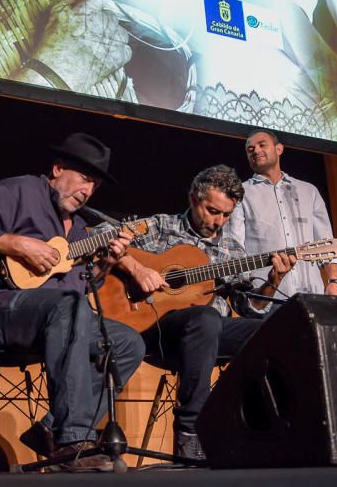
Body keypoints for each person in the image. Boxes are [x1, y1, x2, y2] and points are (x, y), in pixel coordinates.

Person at [0, 132, 146, 471]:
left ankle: (51, 430)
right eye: (84, 179)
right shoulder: (19, 190)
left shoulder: (83, 228)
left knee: (128, 342)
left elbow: (79, 288)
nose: (87, 191)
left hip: (56, 320)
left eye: (94, 186)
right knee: (69, 306)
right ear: (57, 169)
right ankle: (72, 443)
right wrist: (16, 244)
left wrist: (106, 264)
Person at [114, 164, 296, 460]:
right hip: (157, 330)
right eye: (213, 211)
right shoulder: (162, 226)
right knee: (206, 317)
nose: (219, 222)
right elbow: (102, 235)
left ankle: (262, 433)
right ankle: (191, 430)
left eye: (226, 215)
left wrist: (274, 280)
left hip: (209, 336)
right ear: (193, 198)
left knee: (273, 329)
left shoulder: (231, 250)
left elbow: (249, 308)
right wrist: (138, 268)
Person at [223, 130, 337, 305]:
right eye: (250, 149)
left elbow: (326, 242)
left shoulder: (308, 191)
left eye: (262, 145)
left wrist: (334, 281)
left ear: (279, 149)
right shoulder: (240, 193)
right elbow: (235, 247)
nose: (256, 151)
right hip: (267, 297)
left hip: (312, 295)